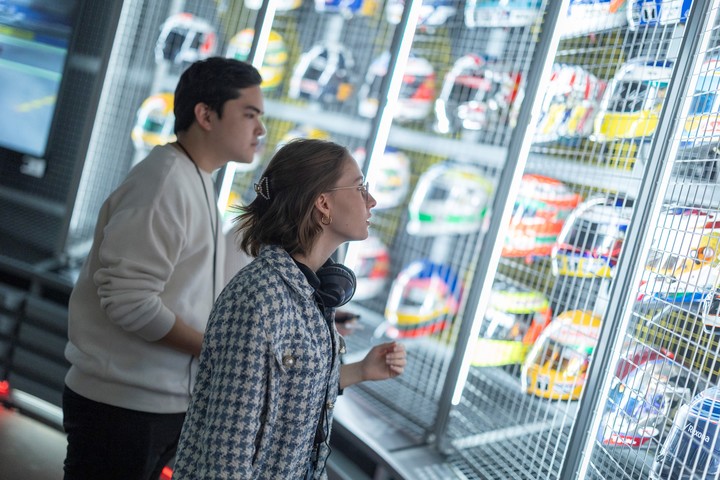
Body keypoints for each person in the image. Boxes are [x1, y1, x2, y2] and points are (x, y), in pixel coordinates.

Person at [62, 57, 265, 480]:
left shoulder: (195, 178)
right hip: (121, 407)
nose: (260, 130)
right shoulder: (164, 180)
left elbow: (186, 290)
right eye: (250, 115)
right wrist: (211, 349)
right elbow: (129, 302)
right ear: (205, 114)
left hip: (153, 404)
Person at [172, 138, 407, 479]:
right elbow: (227, 456)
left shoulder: (309, 290)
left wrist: (361, 370)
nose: (372, 200)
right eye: (359, 188)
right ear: (323, 204)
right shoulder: (259, 300)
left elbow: (288, 396)